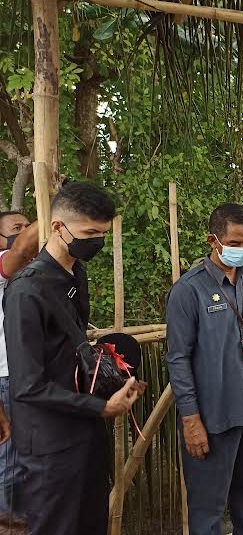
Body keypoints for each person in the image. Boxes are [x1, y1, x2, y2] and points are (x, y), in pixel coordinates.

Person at [4, 182, 144, 535]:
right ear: (57, 227)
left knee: (91, 523)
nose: (96, 241)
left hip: (85, 431)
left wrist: (109, 385)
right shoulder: (26, 290)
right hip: (49, 443)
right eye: (89, 233)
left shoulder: (76, 272)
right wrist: (100, 407)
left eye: (102, 233)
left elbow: (72, 353)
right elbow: (27, 386)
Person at [166, 203, 243, 535]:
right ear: (214, 240)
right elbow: (178, 359)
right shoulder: (188, 291)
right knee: (208, 510)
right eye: (236, 243)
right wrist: (191, 419)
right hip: (213, 419)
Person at [0, 212, 37, 524]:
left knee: (29, 455)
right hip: (6, 376)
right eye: (16, 228)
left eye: (28, 225)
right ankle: (11, 522)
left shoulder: (32, 272)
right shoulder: (3, 263)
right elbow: (22, 250)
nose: (25, 231)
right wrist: (58, 208)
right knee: (11, 458)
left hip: (26, 372)